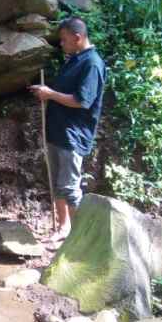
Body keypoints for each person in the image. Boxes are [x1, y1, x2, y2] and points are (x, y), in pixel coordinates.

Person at [28, 17, 107, 244]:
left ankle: (80, 241)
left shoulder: (92, 63)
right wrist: (46, 92)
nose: (61, 44)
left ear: (77, 37)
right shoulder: (75, 59)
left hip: (73, 134)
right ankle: (64, 228)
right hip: (58, 130)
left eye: (63, 40)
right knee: (57, 184)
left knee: (69, 187)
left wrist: (50, 94)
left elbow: (82, 101)